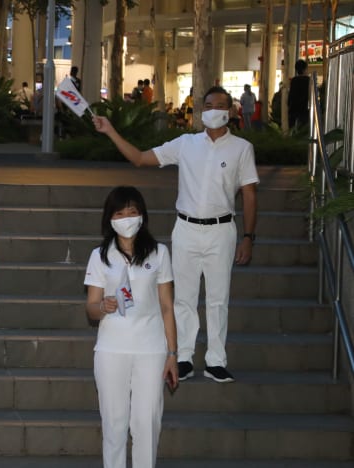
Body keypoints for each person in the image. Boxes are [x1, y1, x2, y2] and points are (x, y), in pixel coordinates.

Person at [93, 86, 259, 384]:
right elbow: (140, 158)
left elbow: (249, 194)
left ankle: (216, 361)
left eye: (220, 105)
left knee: (218, 298)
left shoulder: (241, 148)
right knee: (183, 297)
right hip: (186, 228)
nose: (213, 110)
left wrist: (249, 236)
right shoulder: (186, 144)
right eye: (208, 105)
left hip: (222, 230)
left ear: (231, 111)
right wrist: (110, 131)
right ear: (201, 110)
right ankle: (183, 357)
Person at [85, 186, 178, 468]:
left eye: (132, 212)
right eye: (119, 213)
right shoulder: (100, 256)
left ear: (142, 216)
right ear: (110, 219)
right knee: (114, 423)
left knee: (147, 422)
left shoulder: (159, 253)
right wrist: (103, 306)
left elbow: (166, 306)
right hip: (111, 348)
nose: (126, 218)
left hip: (151, 349)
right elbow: (91, 307)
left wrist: (173, 354)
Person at [288, 59, 310, 130]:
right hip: (304, 110)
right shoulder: (308, 80)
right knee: (303, 130)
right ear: (304, 69)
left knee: (292, 129)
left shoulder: (294, 81)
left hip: (293, 110)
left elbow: (290, 96)